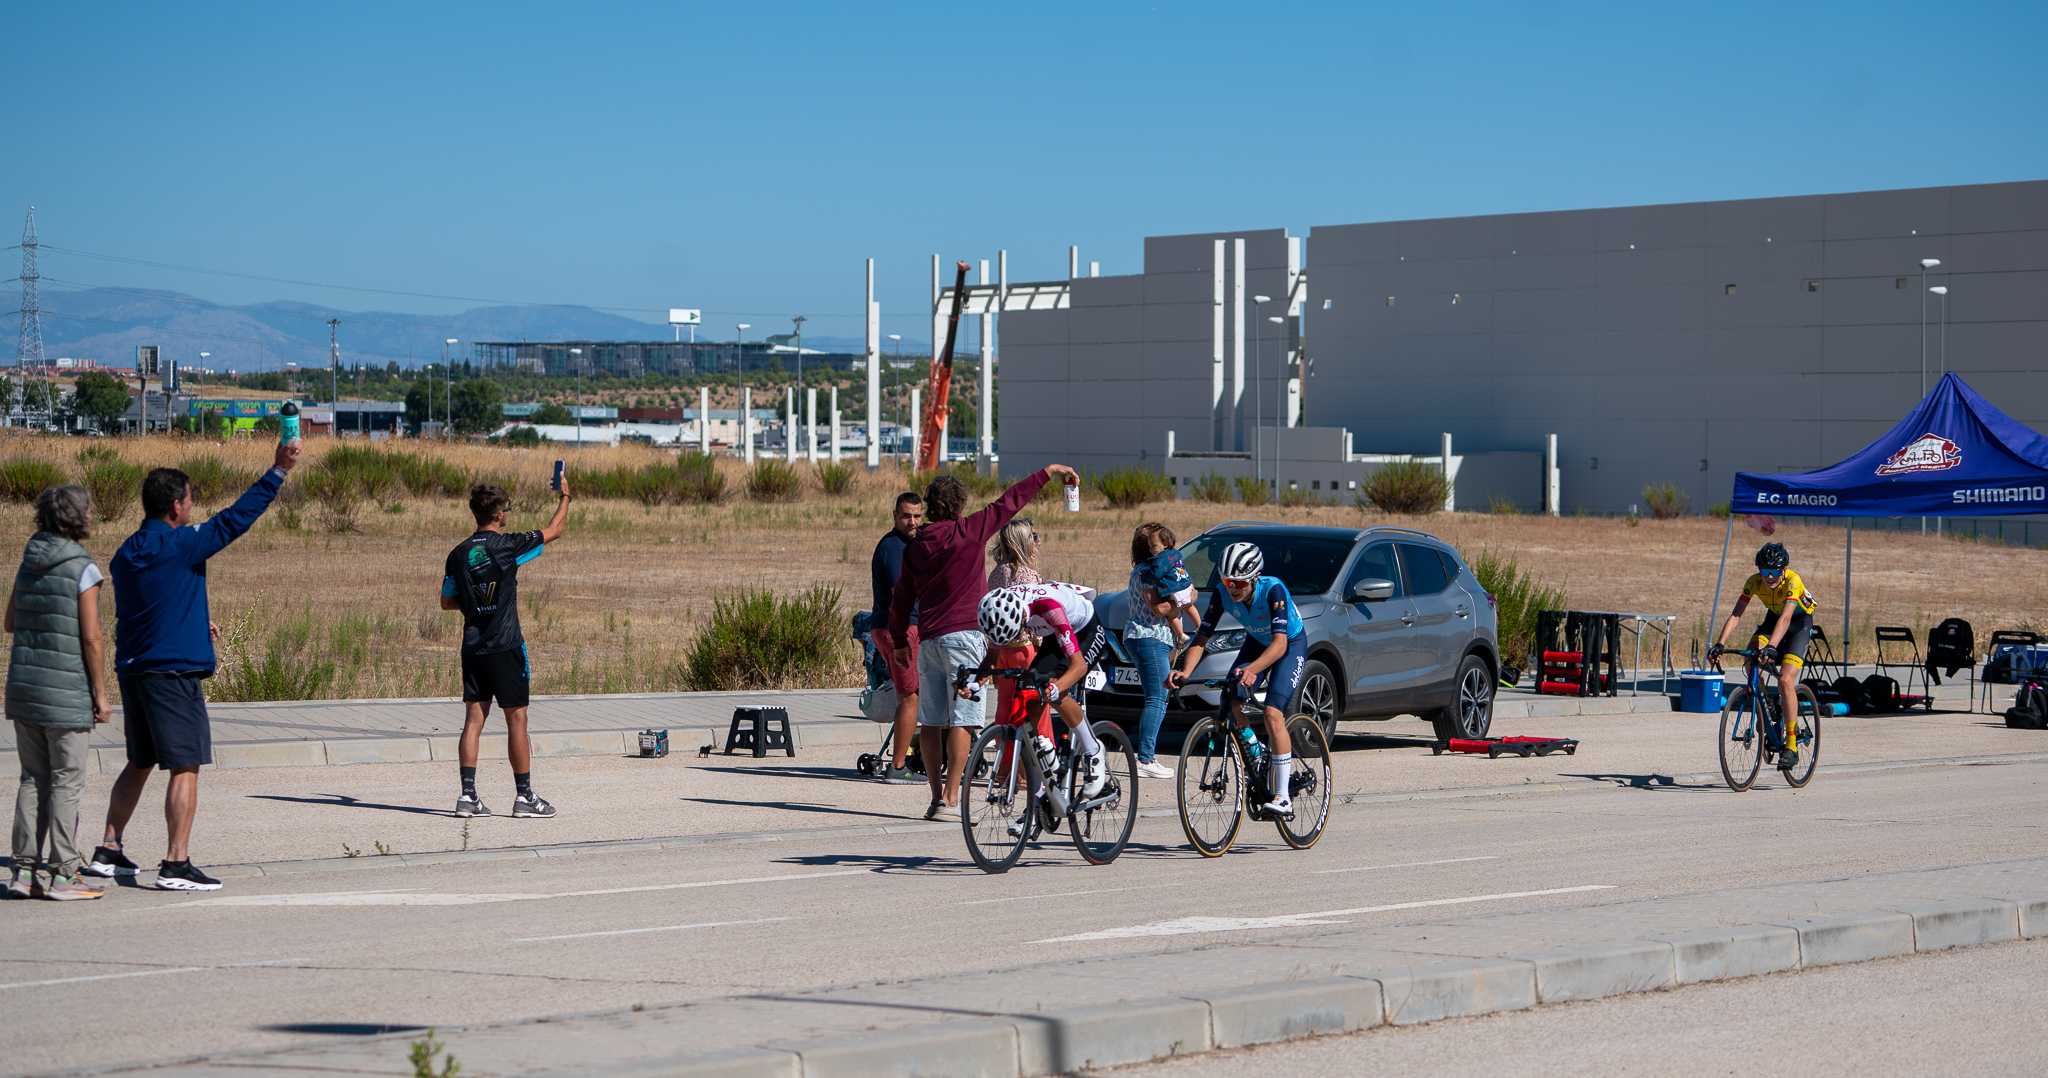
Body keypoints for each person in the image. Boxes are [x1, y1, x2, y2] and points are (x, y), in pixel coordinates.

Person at [85, 441, 301, 891]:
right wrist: (277, 472)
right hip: (173, 675)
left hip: (135, 670)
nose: (192, 505)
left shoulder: (126, 553)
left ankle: (109, 848)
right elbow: (234, 520)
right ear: (175, 507)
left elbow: (148, 605)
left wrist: (193, 621)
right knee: (185, 765)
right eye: (188, 499)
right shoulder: (182, 543)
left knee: (140, 760)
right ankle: (175, 862)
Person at [890, 465, 1076, 820]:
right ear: (960, 506)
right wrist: (1046, 473)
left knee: (930, 722)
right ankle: (950, 796)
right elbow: (1010, 502)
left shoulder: (916, 547)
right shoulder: (969, 531)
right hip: (966, 638)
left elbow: (901, 597)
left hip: (929, 641)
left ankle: (934, 796)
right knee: (964, 720)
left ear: (929, 506)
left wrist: (900, 639)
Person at [441, 477, 572, 819]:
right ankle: (524, 796)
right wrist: (566, 497)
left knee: (473, 720)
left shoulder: (457, 554)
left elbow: (446, 601)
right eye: (507, 509)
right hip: (506, 646)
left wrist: (474, 604)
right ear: (499, 514)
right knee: (517, 719)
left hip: (473, 647)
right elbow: (554, 530)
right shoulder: (509, 545)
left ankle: (467, 796)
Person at [5, 486, 112, 901]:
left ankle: (23, 871)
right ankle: (65, 874)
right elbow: (92, 638)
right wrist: (101, 695)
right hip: (66, 690)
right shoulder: (82, 568)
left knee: (33, 778)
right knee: (67, 781)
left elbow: (11, 620)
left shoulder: (29, 559)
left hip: (26, 686)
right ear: (78, 518)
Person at [1168, 541, 1304, 817]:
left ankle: (1283, 796)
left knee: (1272, 713)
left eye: (1238, 583)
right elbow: (1202, 637)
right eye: (1227, 581)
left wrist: (1253, 668)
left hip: (1288, 643)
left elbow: (1279, 646)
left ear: (1254, 578)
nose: (1232, 588)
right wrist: (1185, 671)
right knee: (1230, 696)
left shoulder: (1273, 590)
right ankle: (1255, 749)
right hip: (1257, 641)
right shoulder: (1223, 593)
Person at [969, 582, 1112, 799]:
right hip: (1054, 635)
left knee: (1053, 688)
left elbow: (1078, 666)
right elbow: (992, 657)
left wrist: (1057, 688)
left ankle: (1093, 751)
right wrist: (973, 682)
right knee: (1029, 691)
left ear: (1021, 621)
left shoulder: (1048, 609)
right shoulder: (998, 609)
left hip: (1085, 630)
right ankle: (1039, 801)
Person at [1707, 542, 1815, 772]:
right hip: (1772, 621)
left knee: (1786, 679)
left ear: (1784, 570)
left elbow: (1786, 618)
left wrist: (1773, 647)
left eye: (1774, 572)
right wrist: (1719, 643)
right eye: (1764, 571)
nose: (1769, 577)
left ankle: (1792, 745)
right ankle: (1765, 701)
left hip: (1797, 624)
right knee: (1749, 658)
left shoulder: (1793, 582)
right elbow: (1736, 614)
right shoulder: (1753, 582)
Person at [1124, 523, 1199, 781]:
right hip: (1149, 637)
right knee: (1157, 698)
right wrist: (1183, 600)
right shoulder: (1149, 573)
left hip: (1147, 638)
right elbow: (1158, 608)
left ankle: (1146, 755)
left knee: (1157, 696)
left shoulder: (1145, 570)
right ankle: (1145, 758)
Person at [868, 491, 924, 785]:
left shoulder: (909, 545)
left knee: (915, 694)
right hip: (899, 629)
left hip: (896, 627)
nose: (912, 522)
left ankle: (914, 755)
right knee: (910, 697)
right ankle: (898, 766)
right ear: (895, 516)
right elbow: (898, 593)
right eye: (906, 516)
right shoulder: (893, 548)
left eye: (917, 516)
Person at [987, 518, 1045, 589]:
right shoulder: (1027, 577)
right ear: (1021, 544)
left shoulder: (995, 573)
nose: (1037, 540)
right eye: (1032, 536)